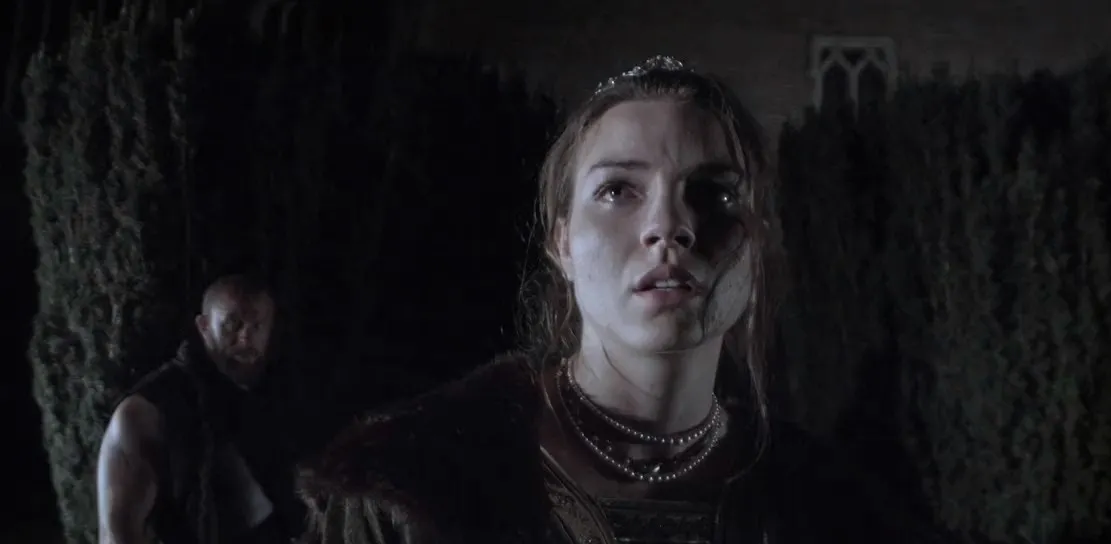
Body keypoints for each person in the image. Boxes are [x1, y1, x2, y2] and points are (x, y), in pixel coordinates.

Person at [295, 57, 917, 543]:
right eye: (619, 190)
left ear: (759, 242)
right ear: (561, 242)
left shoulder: (829, 508)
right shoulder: (413, 486)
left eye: (715, 192)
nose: (669, 226)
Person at [96, 273, 297, 544]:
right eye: (232, 325)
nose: (245, 339)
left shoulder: (262, 399)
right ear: (204, 327)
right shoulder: (146, 413)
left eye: (257, 326)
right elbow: (118, 538)